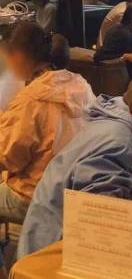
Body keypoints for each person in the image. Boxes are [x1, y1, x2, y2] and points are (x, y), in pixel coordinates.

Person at [18, 63, 132, 258]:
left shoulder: (119, 119)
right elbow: (103, 219)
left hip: (55, 240)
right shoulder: (118, 142)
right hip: (49, 255)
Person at [0, 24, 94, 228]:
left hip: (39, 195)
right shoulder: (81, 85)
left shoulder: (32, 99)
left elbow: (8, 158)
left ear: (18, 56)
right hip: (78, 186)